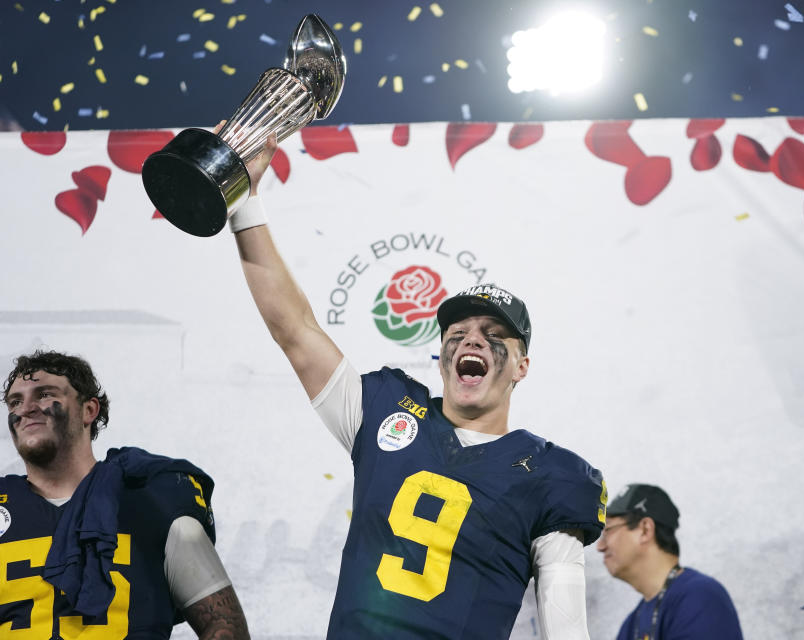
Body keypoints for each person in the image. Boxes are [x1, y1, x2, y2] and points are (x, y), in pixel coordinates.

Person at [224, 135, 607, 639]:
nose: (473, 340)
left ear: (521, 367)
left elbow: (566, 631)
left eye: (494, 337)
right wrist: (243, 202)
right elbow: (294, 329)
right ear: (442, 355)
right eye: (458, 334)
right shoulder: (384, 411)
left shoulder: (548, 477)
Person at [1, 350, 250, 639]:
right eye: (15, 401)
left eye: (44, 394)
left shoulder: (152, 501)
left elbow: (224, 628)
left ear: (89, 410)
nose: (26, 408)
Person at [598, 484, 743, 640]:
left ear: (645, 530)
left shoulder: (700, 598)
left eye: (608, 530)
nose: (600, 546)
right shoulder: (632, 623)